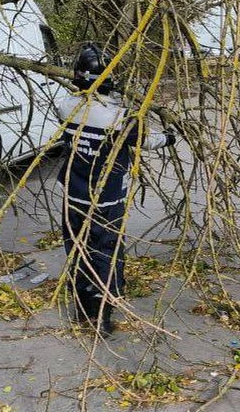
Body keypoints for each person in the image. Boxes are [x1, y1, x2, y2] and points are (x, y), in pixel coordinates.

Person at [57, 43, 176, 336]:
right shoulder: (121, 117)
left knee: (78, 247)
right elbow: (146, 141)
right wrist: (171, 137)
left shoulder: (66, 107)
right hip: (107, 198)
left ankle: (82, 306)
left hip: (74, 193)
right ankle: (103, 315)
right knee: (106, 252)